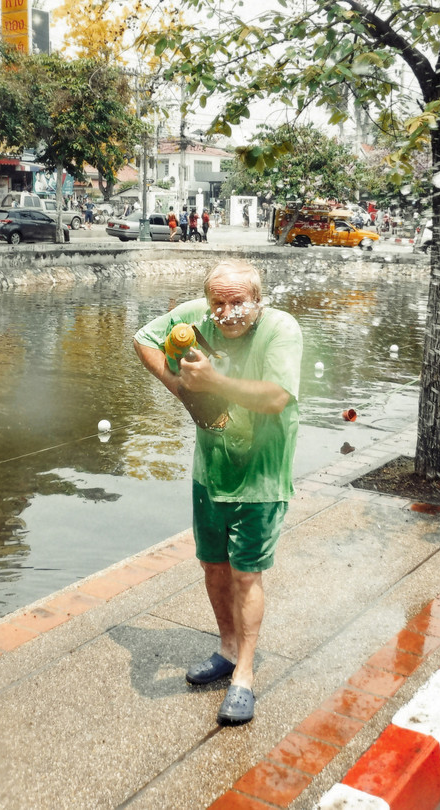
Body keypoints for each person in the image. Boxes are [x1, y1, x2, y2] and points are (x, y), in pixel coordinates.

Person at [133, 261, 302, 726]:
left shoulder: (280, 330)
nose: (226, 313)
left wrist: (214, 383)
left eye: (237, 303)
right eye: (218, 303)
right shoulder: (196, 320)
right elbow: (144, 338)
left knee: (246, 576)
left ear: (258, 299)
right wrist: (182, 390)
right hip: (211, 472)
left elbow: (276, 398)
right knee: (212, 565)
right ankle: (227, 649)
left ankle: (243, 678)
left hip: (261, 476)